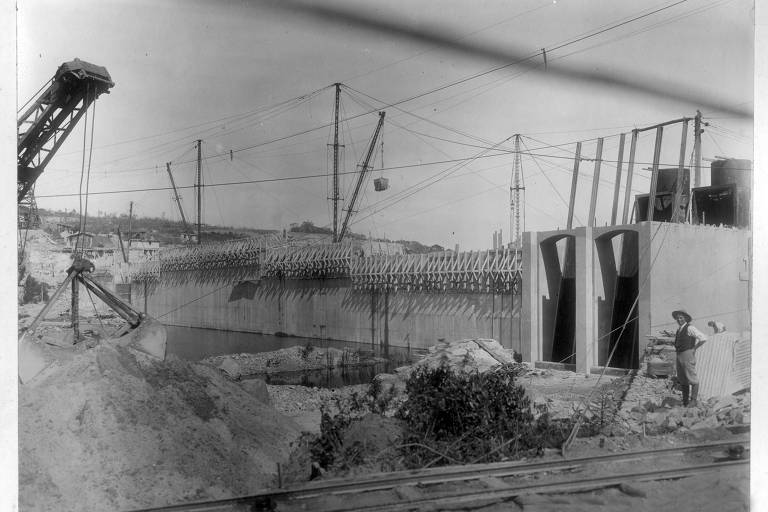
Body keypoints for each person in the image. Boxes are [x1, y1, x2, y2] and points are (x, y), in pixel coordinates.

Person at [672, 309, 708, 406]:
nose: (679, 320)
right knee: (682, 378)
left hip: (687, 354)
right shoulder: (679, 330)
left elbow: (703, 338)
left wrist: (694, 348)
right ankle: (685, 401)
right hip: (679, 355)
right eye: (677, 318)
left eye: (681, 318)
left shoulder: (690, 328)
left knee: (692, 378)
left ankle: (693, 401)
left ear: (686, 318)